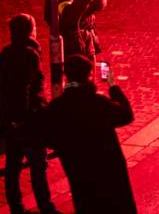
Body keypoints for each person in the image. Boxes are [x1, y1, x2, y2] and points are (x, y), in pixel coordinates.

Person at [34, 55, 136, 213]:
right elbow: (126, 114)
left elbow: (47, 137)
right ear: (89, 76)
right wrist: (112, 85)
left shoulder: (58, 108)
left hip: (80, 175)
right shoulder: (98, 103)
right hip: (108, 174)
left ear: (66, 76)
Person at [0, 13, 60, 214]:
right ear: (30, 30)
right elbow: (24, 88)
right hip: (28, 119)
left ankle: (16, 207)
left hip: (8, 116)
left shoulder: (5, 54)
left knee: (12, 166)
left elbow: (3, 88)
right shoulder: (30, 54)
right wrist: (23, 118)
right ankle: (45, 206)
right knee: (37, 165)